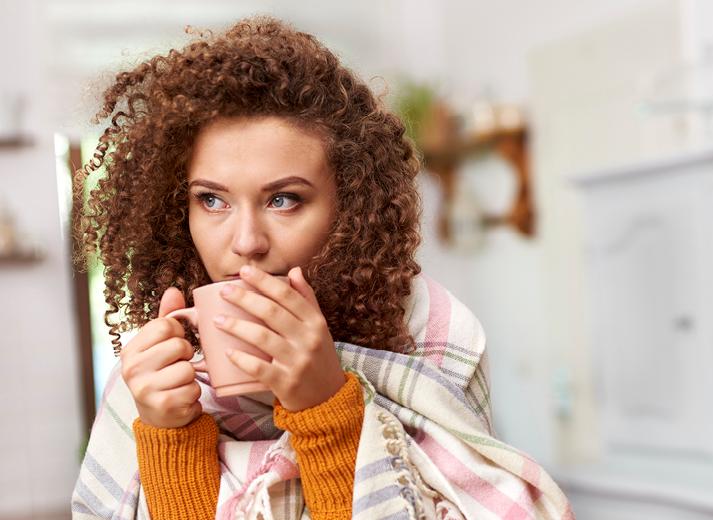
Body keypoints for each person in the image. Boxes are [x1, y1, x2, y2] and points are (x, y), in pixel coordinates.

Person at [71, 16, 573, 520]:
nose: (246, 242)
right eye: (212, 200)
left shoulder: (436, 334)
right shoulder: (154, 368)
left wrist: (326, 409)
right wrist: (169, 436)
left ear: (348, 206)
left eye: (284, 199)